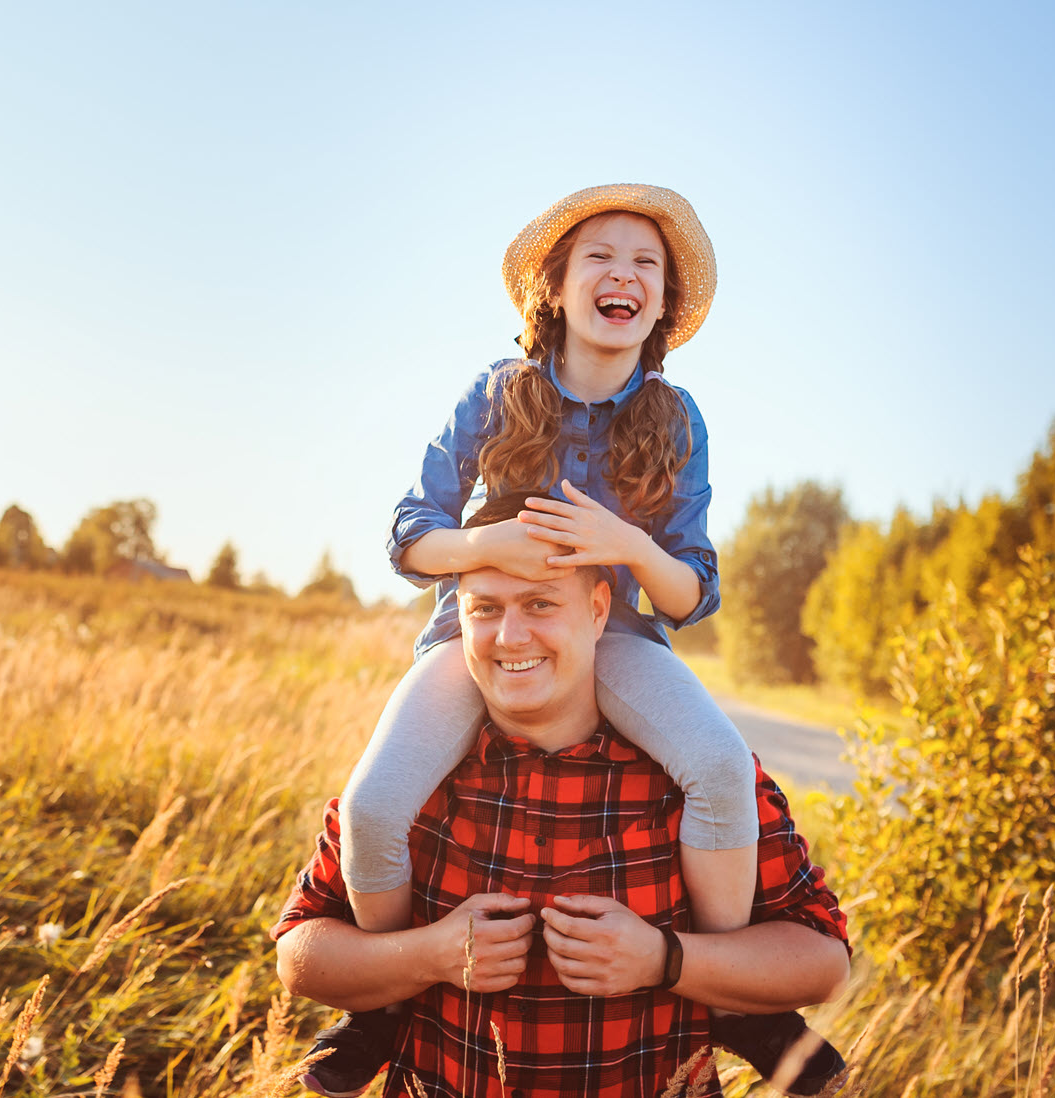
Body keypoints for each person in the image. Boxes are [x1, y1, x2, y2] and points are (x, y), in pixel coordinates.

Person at [318, 184, 838, 1090]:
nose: (623, 274)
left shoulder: (675, 420)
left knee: (717, 769)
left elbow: (690, 592)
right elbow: (411, 534)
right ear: (555, 287)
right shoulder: (498, 392)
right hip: (475, 632)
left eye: (646, 263)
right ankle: (386, 1003)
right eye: (599, 255)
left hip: (620, 634)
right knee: (371, 808)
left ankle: (734, 1002)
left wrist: (625, 544)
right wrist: (492, 546)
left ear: (664, 303)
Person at [274, 496, 852, 1097]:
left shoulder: (700, 776)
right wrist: (429, 956)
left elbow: (823, 963)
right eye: (485, 609)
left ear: (600, 610)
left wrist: (664, 960)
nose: (510, 635)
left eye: (540, 604)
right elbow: (298, 958)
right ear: (458, 617)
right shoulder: (409, 776)